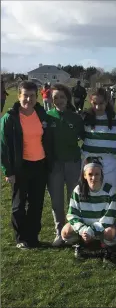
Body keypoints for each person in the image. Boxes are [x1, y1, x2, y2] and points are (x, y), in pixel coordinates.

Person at [1, 81, 53, 249]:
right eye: (25, 95)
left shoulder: (42, 114)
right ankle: (21, 238)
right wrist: (8, 171)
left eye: (32, 96)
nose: (28, 99)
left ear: (37, 97)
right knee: (19, 205)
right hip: (21, 167)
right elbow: (3, 146)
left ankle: (32, 237)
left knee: (36, 204)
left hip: (40, 165)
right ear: (19, 96)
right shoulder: (10, 117)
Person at [46, 83, 84, 247]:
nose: (59, 100)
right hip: (54, 165)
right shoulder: (47, 116)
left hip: (73, 163)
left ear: (67, 98)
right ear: (51, 99)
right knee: (56, 201)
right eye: (55, 97)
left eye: (62, 97)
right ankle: (59, 232)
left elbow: (84, 136)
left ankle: (74, 230)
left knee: (73, 199)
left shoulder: (75, 117)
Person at [62, 157, 116, 259]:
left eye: (97, 174)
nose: (93, 177)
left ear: (101, 174)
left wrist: (91, 230)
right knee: (65, 232)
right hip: (85, 227)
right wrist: (83, 230)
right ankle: (81, 242)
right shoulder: (78, 190)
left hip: (102, 227)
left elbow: (109, 217)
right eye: (90, 174)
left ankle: (104, 245)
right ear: (84, 175)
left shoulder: (110, 190)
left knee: (109, 233)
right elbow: (72, 214)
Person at [81, 88, 116, 191]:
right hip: (89, 162)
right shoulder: (85, 118)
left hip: (109, 163)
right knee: (89, 194)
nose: (98, 107)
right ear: (90, 102)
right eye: (94, 103)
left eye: (101, 103)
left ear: (107, 102)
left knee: (109, 193)